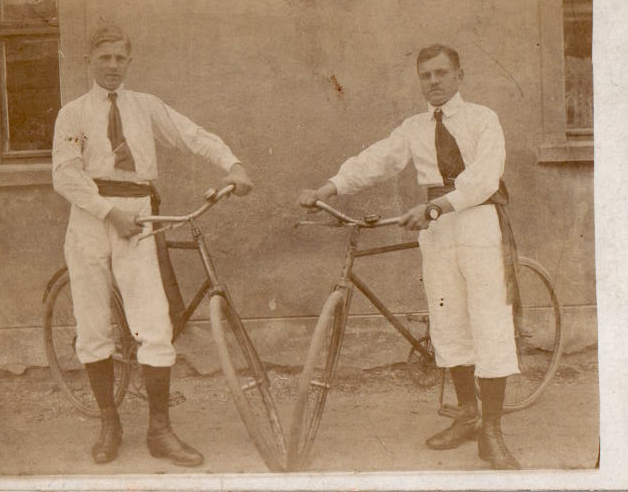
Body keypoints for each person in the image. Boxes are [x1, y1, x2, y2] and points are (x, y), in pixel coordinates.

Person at [298, 44, 521, 470]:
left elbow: (484, 176)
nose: (433, 82)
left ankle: (491, 431)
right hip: (435, 231)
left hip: (477, 222)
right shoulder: (414, 127)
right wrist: (330, 187)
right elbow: (377, 159)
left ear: (459, 76)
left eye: (441, 73)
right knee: (449, 323)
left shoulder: (482, 119)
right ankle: (467, 415)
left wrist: (438, 207)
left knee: (490, 324)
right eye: (425, 75)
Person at [52, 25, 253, 467]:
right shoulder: (72, 114)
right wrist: (108, 212)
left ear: (129, 61)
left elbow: (192, 135)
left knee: (154, 324)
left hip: (140, 215)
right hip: (90, 219)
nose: (112, 66)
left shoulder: (145, 107)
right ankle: (109, 422)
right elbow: (65, 174)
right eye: (104, 57)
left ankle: (160, 430)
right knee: (92, 324)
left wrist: (233, 164)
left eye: (120, 58)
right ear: (90, 59)